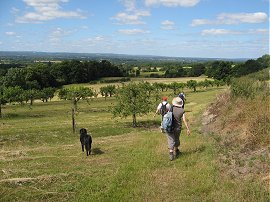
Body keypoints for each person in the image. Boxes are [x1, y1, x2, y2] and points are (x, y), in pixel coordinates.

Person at [165, 97, 190, 161]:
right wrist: (188, 129)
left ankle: (171, 153)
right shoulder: (182, 110)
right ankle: (176, 151)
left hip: (168, 126)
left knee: (171, 139)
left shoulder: (170, 108)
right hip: (177, 128)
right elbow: (184, 120)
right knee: (176, 139)